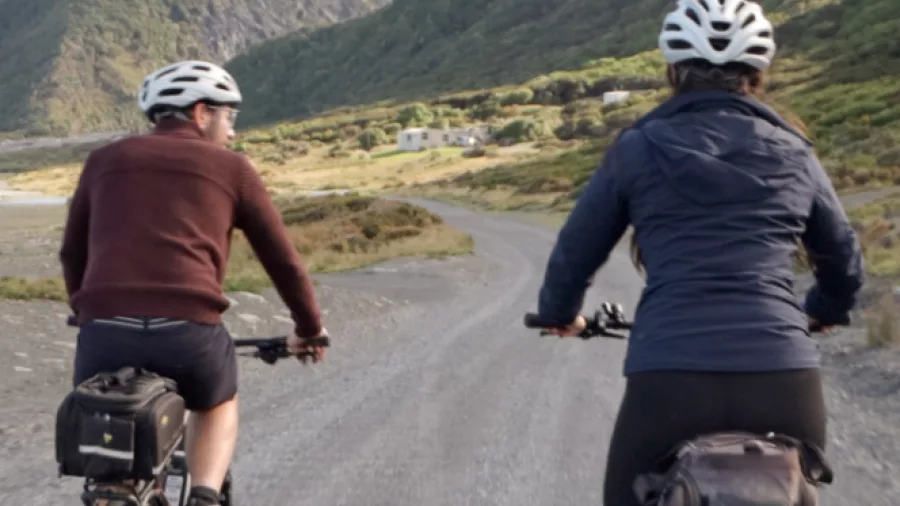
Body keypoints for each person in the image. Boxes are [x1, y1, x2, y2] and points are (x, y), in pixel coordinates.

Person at [532, 1, 864, 505]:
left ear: (673, 69)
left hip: (669, 375)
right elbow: (843, 257)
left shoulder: (637, 148)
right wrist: (824, 310)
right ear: (757, 72)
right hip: (781, 373)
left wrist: (562, 314)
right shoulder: (794, 151)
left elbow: (575, 252)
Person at [59, 60, 329, 506]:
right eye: (229, 117)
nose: (233, 131)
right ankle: (204, 493)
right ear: (202, 112)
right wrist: (309, 328)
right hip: (189, 334)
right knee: (217, 399)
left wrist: (86, 312)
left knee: (114, 432)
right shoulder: (232, 167)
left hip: (103, 338)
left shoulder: (103, 160)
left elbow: (72, 252)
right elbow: (285, 264)